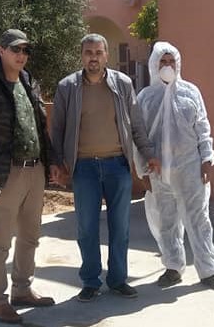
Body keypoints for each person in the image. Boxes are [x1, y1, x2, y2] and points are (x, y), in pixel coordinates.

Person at [50, 33, 160, 302]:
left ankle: (118, 280)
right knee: (86, 228)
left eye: (98, 53)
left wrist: (148, 154)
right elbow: (58, 129)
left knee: (120, 227)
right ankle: (90, 281)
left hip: (117, 166)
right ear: (81, 55)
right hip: (84, 168)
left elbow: (136, 125)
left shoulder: (122, 84)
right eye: (89, 52)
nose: (93, 58)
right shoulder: (67, 87)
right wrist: (57, 162)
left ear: (106, 56)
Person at [0, 29, 57, 324]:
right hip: (5, 173)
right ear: (1, 50)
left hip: (35, 170)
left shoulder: (30, 83)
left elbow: (40, 127)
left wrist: (51, 161)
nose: (21, 55)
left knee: (30, 236)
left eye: (25, 50)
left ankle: (22, 290)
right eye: (16, 49)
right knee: (0, 241)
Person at [136, 41, 214, 291]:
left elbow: (203, 127)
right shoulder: (145, 97)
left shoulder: (191, 92)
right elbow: (139, 137)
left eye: (171, 61)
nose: (167, 66)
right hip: (158, 170)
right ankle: (173, 267)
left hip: (190, 168)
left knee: (199, 219)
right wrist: (142, 171)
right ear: (154, 65)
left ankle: (209, 271)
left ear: (178, 64)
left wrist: (207, 160)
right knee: (167, 221)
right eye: (162, 62)